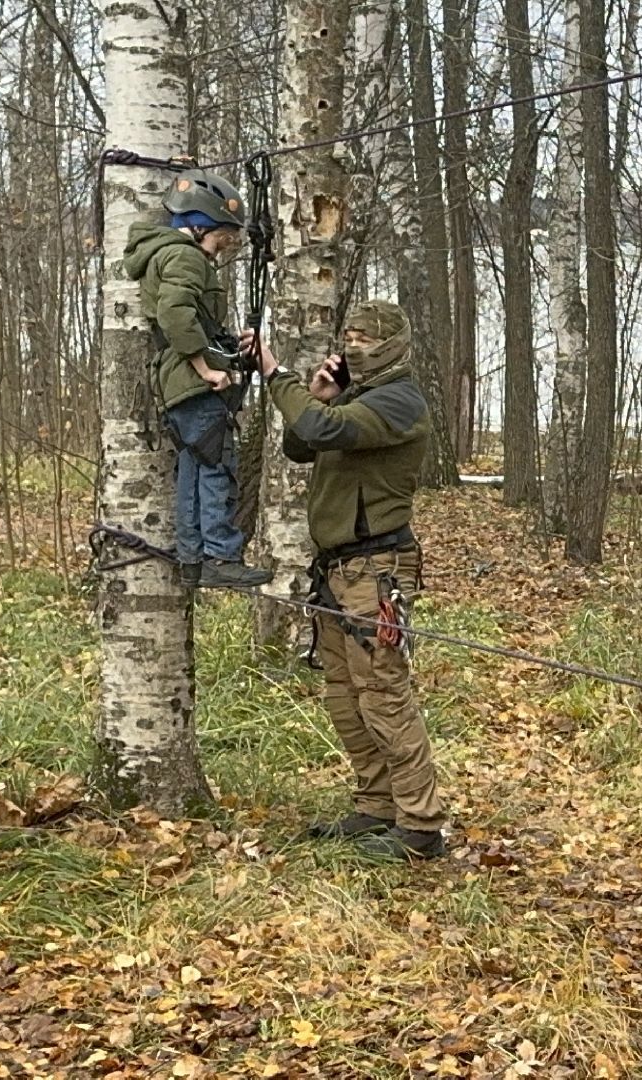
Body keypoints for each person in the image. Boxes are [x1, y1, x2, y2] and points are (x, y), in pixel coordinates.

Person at [253, 300, 449, 861]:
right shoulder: (358, 399)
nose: (354, 343)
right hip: (337, 570)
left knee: (384, 693)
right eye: (350, 334)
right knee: (344, 694)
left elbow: (317, 429)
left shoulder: (398, 401)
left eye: (364, 336)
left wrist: (276, 373)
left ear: (390, 343)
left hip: (375, 569)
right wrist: (317, 395)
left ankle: (420, 825)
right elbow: (301, 441)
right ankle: (375, 806)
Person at [122, 168, 272, 589]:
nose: (227, 245)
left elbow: (191, 316)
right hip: (191, 380)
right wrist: (206, 368)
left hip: (177, 381)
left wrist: (227, 348)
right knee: (217, 464)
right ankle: (221, 556)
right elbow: (174, 313)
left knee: (196, 462)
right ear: (200, 226)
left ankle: (192, 557)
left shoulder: (168, 253)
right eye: (224, 235)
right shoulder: (186, 256)